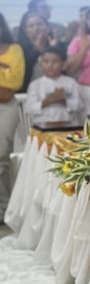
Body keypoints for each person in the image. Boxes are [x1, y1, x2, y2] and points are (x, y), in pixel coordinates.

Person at [0, 13, 26, 223]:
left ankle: (3, 209)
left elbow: (11, 88)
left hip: (5, 107)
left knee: (0, 156)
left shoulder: (14, 49)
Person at [25, 47, 84, 129]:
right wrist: (48, 100)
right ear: (40, 64)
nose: (50, 65)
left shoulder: (71, 83)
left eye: (55, 61)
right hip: (42, 127)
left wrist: (64, 101)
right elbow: (30, 109)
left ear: (63, 64)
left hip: (68, 126)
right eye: (46, 61)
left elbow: (79, 105)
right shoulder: (35, 85)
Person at [16, 11, 59, 92]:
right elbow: (22, 73)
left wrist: (53, 50)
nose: (36, 28)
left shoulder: (58, 45)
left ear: (48, 27)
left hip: (55, 91)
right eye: (31, 26)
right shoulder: (19, 49)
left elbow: (64, 70)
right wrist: (36, 51)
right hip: (26, 93)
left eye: (39, 24)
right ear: (25, 31)